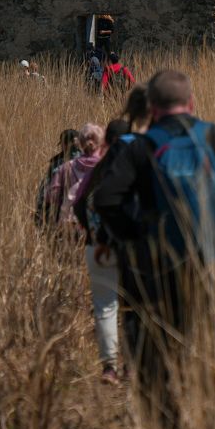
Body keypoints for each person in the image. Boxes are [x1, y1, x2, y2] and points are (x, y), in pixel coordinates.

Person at [93, 69, 215, 425]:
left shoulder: (139, 148)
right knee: (214, 350)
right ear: (192, 103)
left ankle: (169, 427)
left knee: (158, 360)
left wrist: (135, 238)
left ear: (152, 109)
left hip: (156, 275)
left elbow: (105, 199)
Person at [73, 118, 131, 384]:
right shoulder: (136, 167)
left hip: (97, 247)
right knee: (131, 307)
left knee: (105, 307)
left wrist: (92, 233)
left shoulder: (98, 170)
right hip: (129, 247)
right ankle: (131, 365)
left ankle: (109, 367)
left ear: (106, 141)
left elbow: (79, 205)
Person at [35, 129, 80, 227]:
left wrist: (39, 214)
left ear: (63, 145)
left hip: (59, 216)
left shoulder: (56, 164)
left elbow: (44, 192)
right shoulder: (90, 160)